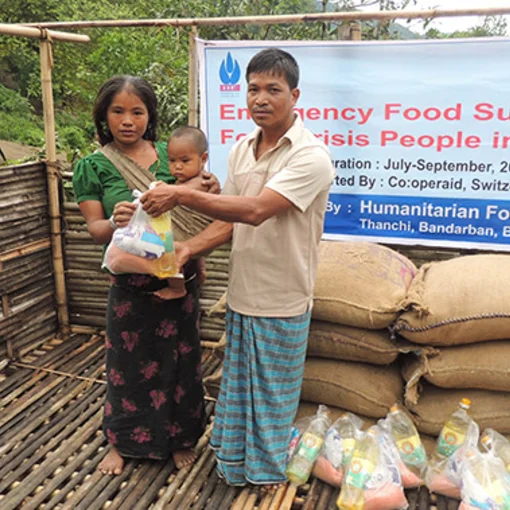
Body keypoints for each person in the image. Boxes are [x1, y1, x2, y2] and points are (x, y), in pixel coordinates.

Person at [141, 48, 334, 487]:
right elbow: (228, 219)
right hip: (243, 290)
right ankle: (234, 462)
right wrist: (190, 248)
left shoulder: (311, 157)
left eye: (273, 89)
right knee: (240, 390)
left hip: (283, 296)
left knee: (271, 397)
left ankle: (264, 475)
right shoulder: (243, 149)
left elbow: (255, 211)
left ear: (295, 95)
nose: (260, 98)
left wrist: (182, 195)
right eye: (253, 89)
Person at [72, 76, 218, 475]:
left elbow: (197, 205)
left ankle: (179, 440)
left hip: (179, 278)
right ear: (104, 115)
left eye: (137, 111)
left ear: (149, 115)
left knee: (181, 362)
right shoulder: (93, 166)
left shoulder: (173, 158)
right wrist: (115, 221)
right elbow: (95, 230)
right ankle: (121, 442)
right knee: (126, 365)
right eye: (117, 111)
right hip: (130, 287)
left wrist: (209, 188)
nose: (127, 120)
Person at [105, 126, 209, 300]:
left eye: (185, 161)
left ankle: (177, 288)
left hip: (185, 237)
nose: (177, 167)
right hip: (184, 238)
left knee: (171, 257)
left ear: (203, 158)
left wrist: (163, 190)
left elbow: (183, 196)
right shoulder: (182, 181)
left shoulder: (202, 181)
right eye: (172, 161)